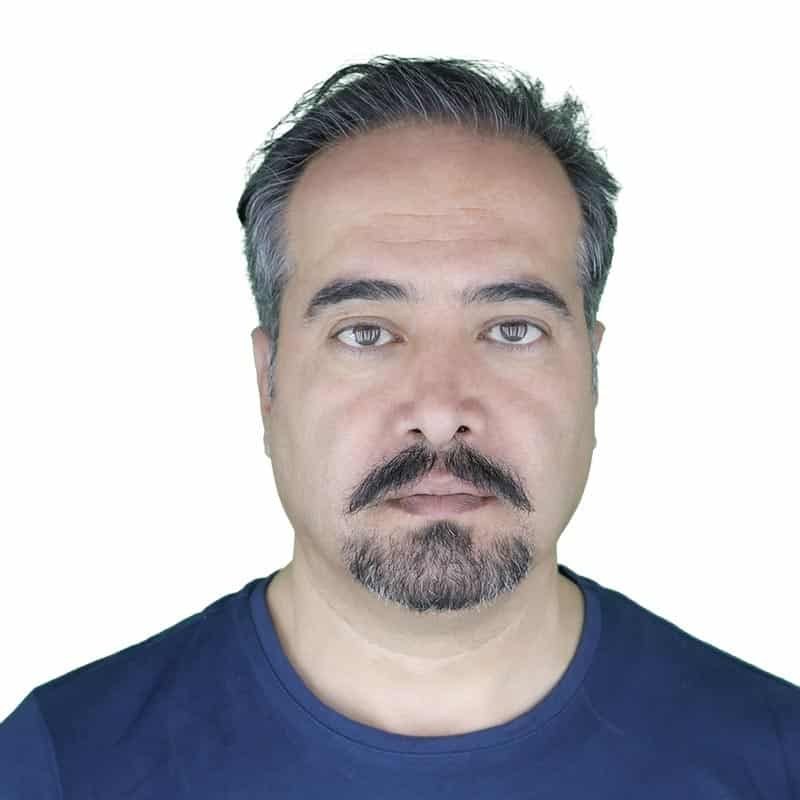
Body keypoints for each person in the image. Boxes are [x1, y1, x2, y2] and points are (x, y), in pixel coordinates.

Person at [1, 55, 797, 797]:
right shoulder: (62, 767)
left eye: (511, 329)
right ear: (268, 382)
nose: (441, 409)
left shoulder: (776, 760)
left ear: (592, 374)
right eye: (366, 333)